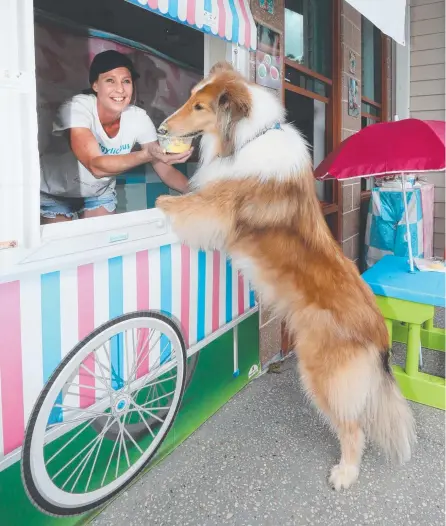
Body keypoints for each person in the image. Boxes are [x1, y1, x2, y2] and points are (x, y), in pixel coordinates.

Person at [40, 50, 191, 223]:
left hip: (98, 193)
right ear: (95, 85)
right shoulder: (77, 108)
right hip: (56, 192)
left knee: (103, 246)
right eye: (110, 80)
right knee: (62, 249)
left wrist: (197, 194)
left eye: (126, 81)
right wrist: (147, 154)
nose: (120, 89)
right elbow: (95, 166)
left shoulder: (138, 117)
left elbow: (164, 169)